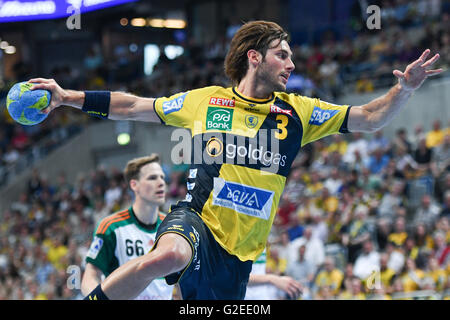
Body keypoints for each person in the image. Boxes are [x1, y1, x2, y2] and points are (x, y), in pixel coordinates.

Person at [29, 20, 442, 300]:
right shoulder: (206, 101)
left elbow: (369, 118)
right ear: (254, 57)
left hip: (239, 255)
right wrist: (68, 98)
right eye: (282, 54)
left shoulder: (297, 111)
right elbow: (135, 104)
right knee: (167, 255)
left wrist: (404, 90)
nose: (292, 64)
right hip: (196, 220)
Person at [81, 154, 174, 300]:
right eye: (152, 178)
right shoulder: (111, 227)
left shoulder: (173, 227)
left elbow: (181, 282)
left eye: (162, 177)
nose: (161, 183)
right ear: (134, 185)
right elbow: (90, 276)